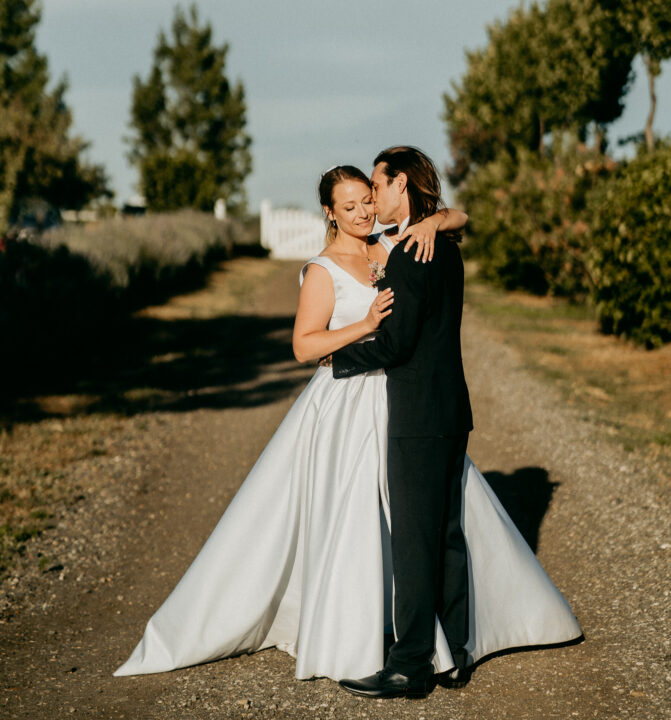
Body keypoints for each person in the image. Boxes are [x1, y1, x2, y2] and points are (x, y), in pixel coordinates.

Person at [115, 163, 580, 685]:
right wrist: (363, 325)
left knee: (422, 518)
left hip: (403, 395)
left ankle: (437, 632)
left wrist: (433, 221)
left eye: (367, 200)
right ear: (330, 213)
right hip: (350, 398)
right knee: (361, 514)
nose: (362, 213)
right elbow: (304, 346)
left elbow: (460, 216)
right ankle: (357, 626)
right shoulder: (322, 269)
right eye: (350, 206)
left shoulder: (391, 245)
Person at [331, 147, 474, 698]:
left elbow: (395, 344)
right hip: (452, 410)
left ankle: (410, 665)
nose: (373, 197)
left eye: (377, 185)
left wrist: (338, 359)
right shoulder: (446, 248)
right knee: (448, 535)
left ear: (401, 185)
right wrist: (439, 219)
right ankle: (456, 653)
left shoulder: (409, 257)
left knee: (413, 542)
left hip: (416, 415)